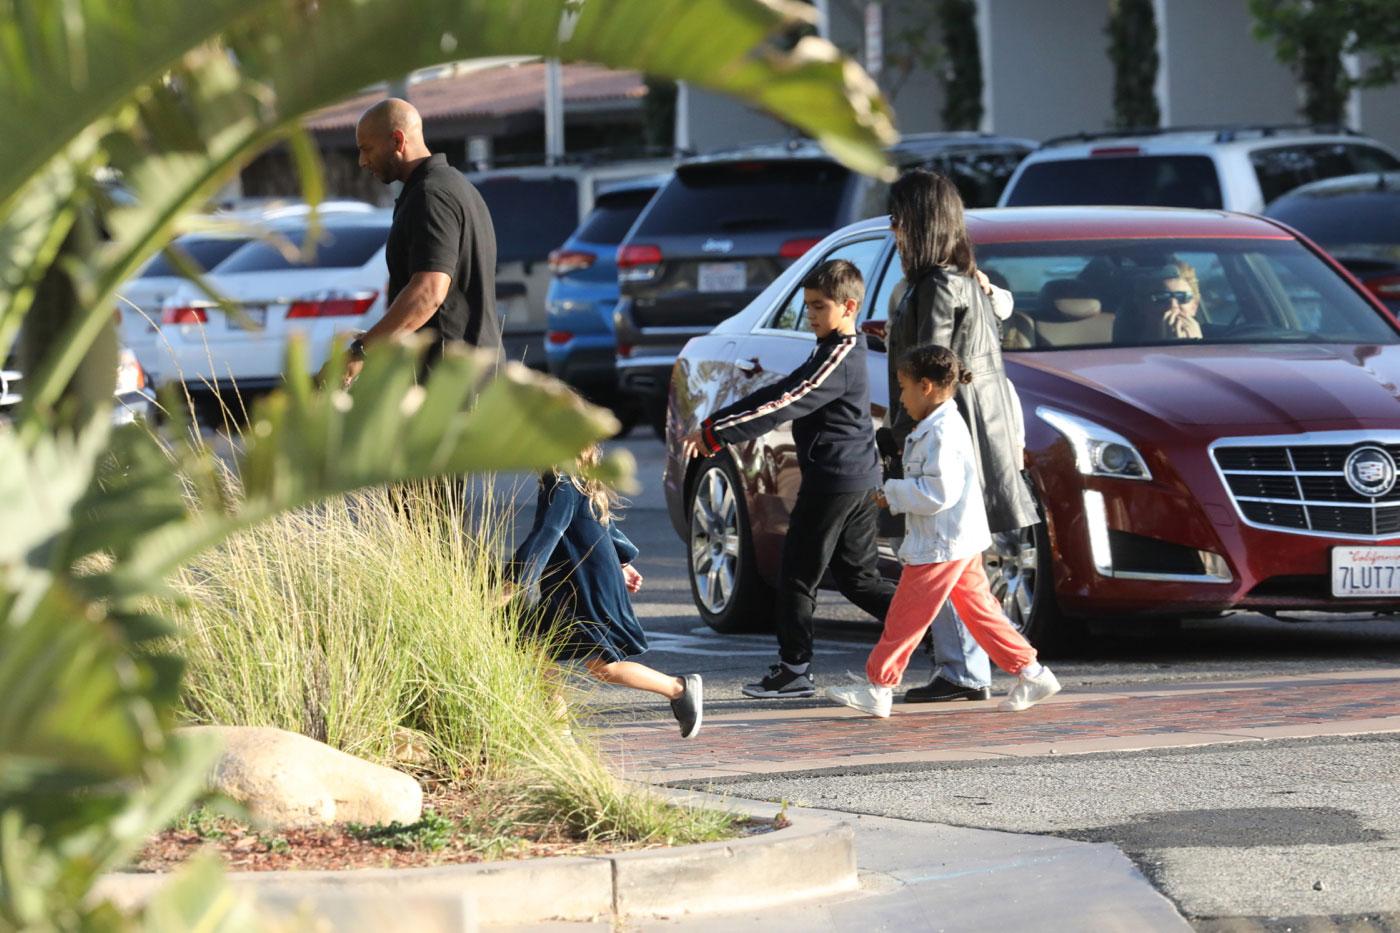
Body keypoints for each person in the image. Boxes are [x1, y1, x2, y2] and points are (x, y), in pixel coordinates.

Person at [680, 260, 894, 700]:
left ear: (849, 306)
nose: (811, 316)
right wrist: (717, 425)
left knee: (796, 575)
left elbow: (786, 399)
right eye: (807, 307)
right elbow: (784, 390)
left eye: (819, 307)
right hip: (853, 477)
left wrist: (715, 432)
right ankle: (931, 629)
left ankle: (794, 669)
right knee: (857, 578)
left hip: (835, 481)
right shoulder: (833, 349)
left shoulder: (838, 354)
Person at [826, 345, 1061, 718]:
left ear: (927, 387)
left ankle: (880, 686)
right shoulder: (939, 425)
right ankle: (1031, 672)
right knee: (980, 613)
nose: (900, 398)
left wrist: (892, 493)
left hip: (941, 543)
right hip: (954, 540)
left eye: (903, 388)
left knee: (906, 617)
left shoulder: (941, 432)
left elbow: (939, 493)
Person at [884, 168, 1039, 703]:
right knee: (956, 562)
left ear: (920, 222)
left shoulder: (939, 286)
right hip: (967, 431)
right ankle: (980, 669)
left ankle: (969, 670)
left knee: (943, 551)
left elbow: (926, 371)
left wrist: (897, 437)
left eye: (898, 218)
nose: (892, 229)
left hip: (949, 435)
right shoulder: (960, 281)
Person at [510, 444, 703, 738]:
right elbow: (602, 527)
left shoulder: (561, 483)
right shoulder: (576, 479)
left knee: (602, 667)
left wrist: (516, 580)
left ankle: (679, 688)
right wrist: (622, 563)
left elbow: (547, 534)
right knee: (539, 653)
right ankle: (558, 735)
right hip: (575, 584)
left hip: (583, 587)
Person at [336, 97, 502, 387]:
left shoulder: (431, 196)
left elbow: (429, 290)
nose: (362, 162)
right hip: (468, 376)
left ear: (397, 140)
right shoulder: (454, 186)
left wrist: (362, 351)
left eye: (367, 149)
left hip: (448, 384)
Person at [1117, 262, 1205, 343]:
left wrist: (1198, 344)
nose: (1173, 306)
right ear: (1142, 305)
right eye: (1161, 297)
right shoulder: (1124, 347)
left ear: (1195, 305)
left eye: (1182, 297)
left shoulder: (1215, 342)